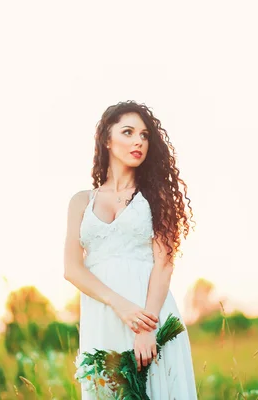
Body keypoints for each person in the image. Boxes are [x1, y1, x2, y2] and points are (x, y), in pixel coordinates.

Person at [64, 101, 198, 399]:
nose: (139, 140)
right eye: (128, 132)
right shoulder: (80, 202)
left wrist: (147, 328)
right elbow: (72, 269)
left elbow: (164, 265)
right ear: (107, 140)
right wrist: (119, 305)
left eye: (145, 135)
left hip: (150, 317)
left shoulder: (157, 196)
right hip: (103, 317)